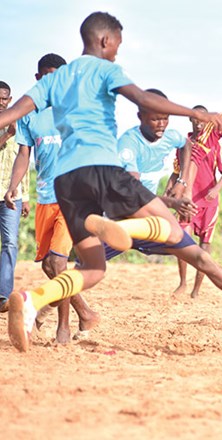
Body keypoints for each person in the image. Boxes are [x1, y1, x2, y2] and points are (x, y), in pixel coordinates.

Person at [0, 11, 222, 352]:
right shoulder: (105, 68)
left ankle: (32, 298)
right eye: (117, 44)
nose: (118, 51)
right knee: (178, 234)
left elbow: (9, 116)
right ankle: (128, 230)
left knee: (94, 270)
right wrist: (196, 113)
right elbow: (144, 99)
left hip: (66, 184)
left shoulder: (52, 80)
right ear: (104, 40)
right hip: (102, 169)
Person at [4, 54, 99, 344]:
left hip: (74, 197)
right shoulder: (28, 114)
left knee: (58, 264)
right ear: (37, 78)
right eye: (45, 76)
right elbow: (23, 154)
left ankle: (64, 329)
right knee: (48, 265)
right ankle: (85, 312)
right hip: (45, 197)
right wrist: (13, 185)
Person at [171, 105, 222, 298]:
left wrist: (216, 189)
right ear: (191, 120)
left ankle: (196, 289)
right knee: (182, 241)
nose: (199, 123)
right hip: (187, 201)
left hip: (209, 202)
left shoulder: (214, 144)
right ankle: (182, 283)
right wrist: (168, 193)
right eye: (196, 119)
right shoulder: (183, 145)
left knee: (205, 244)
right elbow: (177, 172)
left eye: (204, 120)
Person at [117, 88, 192, 197]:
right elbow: (133, 187)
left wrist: (182, 181)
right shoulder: (128, 142)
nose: (161, 124)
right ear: (140, 117)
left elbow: (186, 145)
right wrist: (167, 203)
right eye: (155, 119)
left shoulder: (170, 137)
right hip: (122, 202)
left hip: (148, 201)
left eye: (165, 118)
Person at [0, 81, 29, 313]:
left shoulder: (20, 126)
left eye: (5, 99)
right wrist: (7, 135)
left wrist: (26, 195)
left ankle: (2, 295)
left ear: (10, 101)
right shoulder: (11, 130)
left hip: (12, 196)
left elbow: (24, 161)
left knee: (10, 243)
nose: (2, 102)